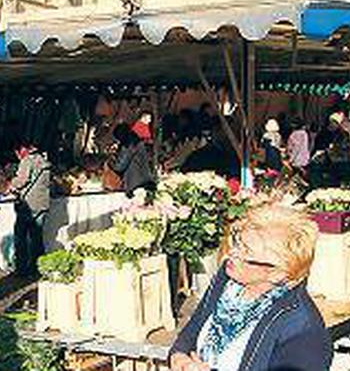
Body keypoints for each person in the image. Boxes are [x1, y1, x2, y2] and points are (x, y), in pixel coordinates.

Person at [169, 204, 331, 371]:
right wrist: (179, 357)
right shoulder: (228, 281)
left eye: (247, 252)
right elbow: (194, 328)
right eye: (238, 242)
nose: (232, 253)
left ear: (278, 273)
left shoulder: (302, 330)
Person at [9, 136, 51, 278]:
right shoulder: (44, 160)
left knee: (20, 237)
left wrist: (11, 184)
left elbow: (21, 181)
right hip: (42, 203)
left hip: (29, 205)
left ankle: (22, 269)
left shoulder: (28, 161)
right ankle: (37, 268)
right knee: (37, 238)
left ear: (22, 149)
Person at [110, 123, 156, 197]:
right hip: (145, 177)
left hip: (134, 181)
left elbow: (121, 165)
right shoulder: (138, 142)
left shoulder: (129, 146)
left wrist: (111, 164)